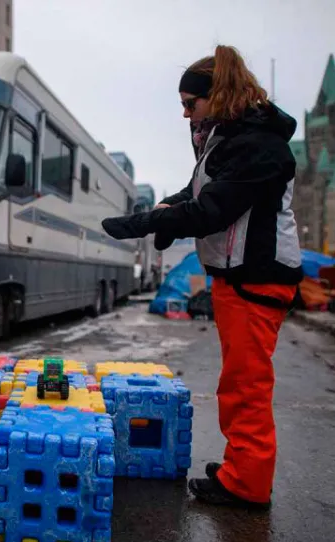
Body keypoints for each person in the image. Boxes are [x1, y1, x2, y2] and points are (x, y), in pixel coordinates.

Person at [101, 45, 303, 509]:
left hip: (257, 277)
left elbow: (214, 208)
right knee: (238, 380)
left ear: (219, 95)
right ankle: (241, 468)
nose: (185, 114)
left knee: (246, 384)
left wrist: (148, 224)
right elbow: (198, 195)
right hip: (239, 277)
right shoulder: (231, 140)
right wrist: (164, 210)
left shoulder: (258, 145)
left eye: (190, 104)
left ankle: (246, 485)